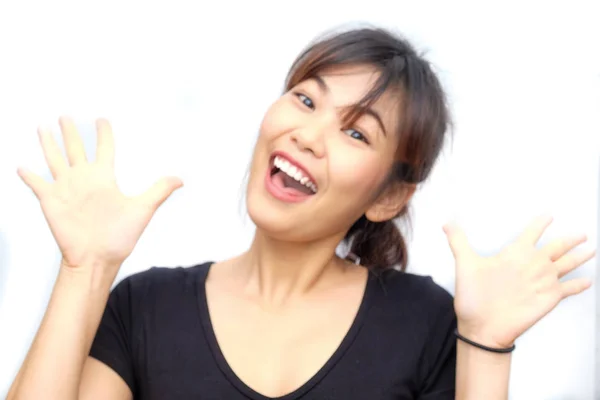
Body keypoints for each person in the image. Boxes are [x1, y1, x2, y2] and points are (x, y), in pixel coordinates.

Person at [7, 27, 594, 400]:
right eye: (306, 99)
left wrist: (486, 344)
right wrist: (84, 271)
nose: (309, 135)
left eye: (356, 133)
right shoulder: (144, 308)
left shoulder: (426, 324)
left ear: (388, 198)